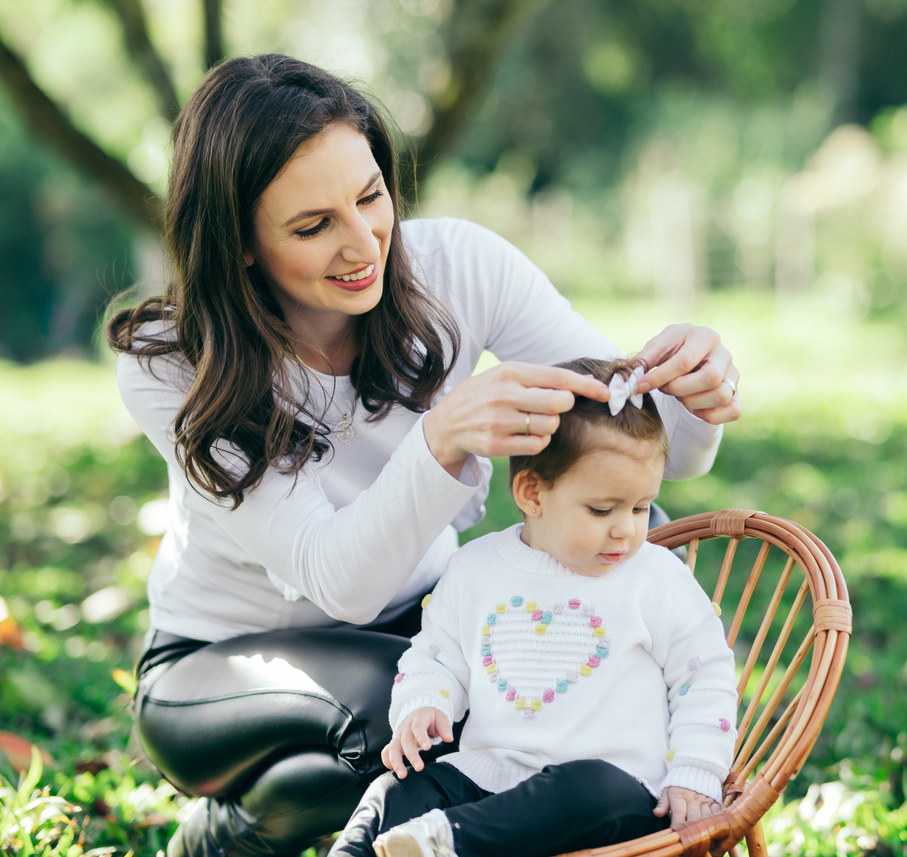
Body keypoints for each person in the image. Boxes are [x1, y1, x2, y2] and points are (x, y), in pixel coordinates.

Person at [108, 54, 740, 857]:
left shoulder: (457, 269)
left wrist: (696, 389)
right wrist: (439, 442)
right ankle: (228, 834)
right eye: (313, 226)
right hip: (217, 666)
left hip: (424, 623)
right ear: (239, 244)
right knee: (397, 714)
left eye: (371, 196)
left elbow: (653, 450)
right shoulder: (172, 361)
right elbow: (339, 579)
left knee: (544, 698)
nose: (363, 242)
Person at [330, 357, 737, 857]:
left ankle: (451, 842)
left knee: (591, 789)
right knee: (397, 789)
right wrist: (425, 701)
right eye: (602, 509)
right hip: (490, 777)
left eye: (640, 507)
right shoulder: (477, 567)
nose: (626, 529)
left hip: (616, 793)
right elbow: (436, 654)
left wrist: (695, 773)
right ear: (532, 494)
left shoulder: (654, 577)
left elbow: (706, 677)